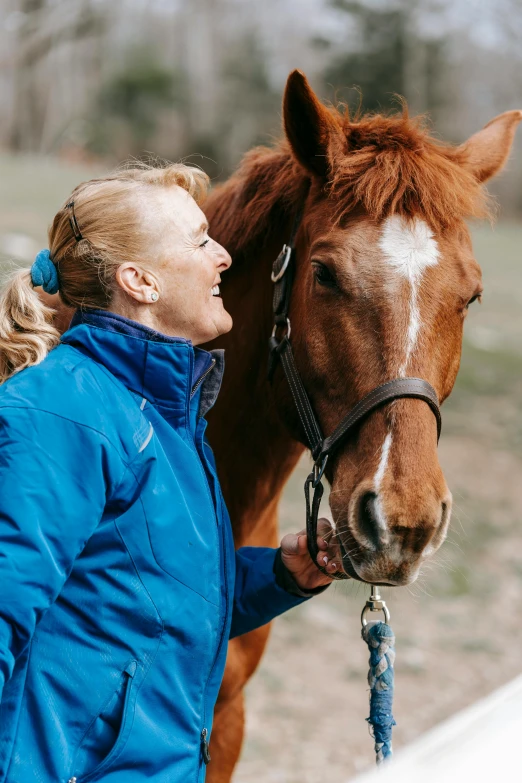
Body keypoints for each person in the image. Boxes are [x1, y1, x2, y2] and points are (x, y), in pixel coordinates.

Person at [0, 162, 338, 783]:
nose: (224, 257)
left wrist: (281, 575)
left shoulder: (169, 416)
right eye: (200, 239)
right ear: (140, 281)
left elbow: (149, 598)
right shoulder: (62, 413)